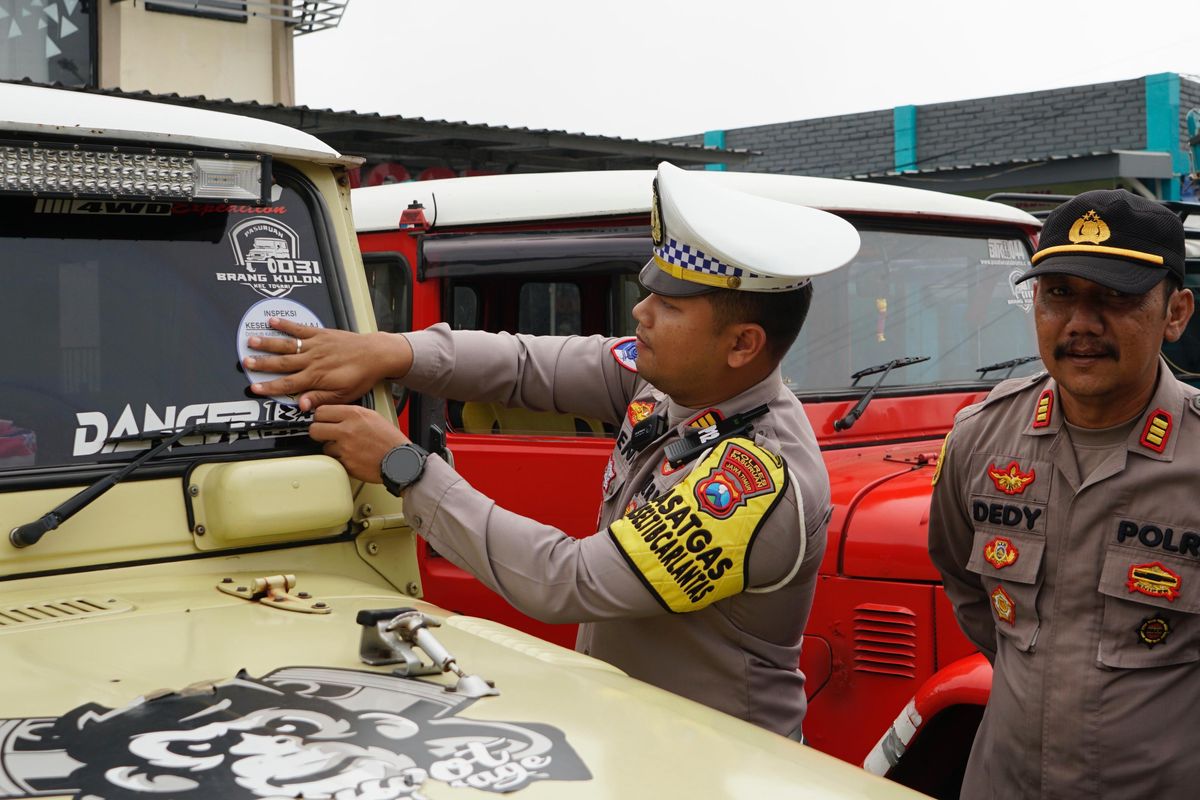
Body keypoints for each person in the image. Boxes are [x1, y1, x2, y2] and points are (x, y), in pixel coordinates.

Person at [242, 162, 861, 737]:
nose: (640, 313)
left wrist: (405, 468)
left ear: (742, 344)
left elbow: (569, 581)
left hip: (718, 757)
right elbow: (527, 364)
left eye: (668, 306)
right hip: (637, 730)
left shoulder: (754, 477)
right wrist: (391, 351)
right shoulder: (670, 381)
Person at [928, 189, 1197, 797]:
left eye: (1116, 297)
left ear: (1176, 313)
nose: (1080, 323)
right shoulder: (981, 439)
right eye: (1059, 294)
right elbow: (966, 583)